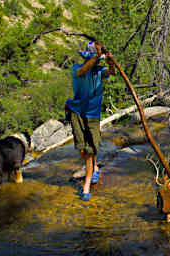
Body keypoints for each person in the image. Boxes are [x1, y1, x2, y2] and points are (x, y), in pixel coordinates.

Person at [65, 41, 115, 201]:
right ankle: (93, 168)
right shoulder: (76, 69)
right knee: (82, 149)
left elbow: (112, 73)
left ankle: (87, 184)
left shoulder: (100, 70)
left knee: (90, 150)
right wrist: (98, 56)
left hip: (92, 115)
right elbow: (84, 70)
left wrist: (110, 62)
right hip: (77, 112)